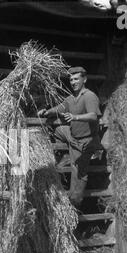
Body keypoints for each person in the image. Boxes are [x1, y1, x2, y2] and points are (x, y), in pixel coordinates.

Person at [37, 66, 102, 209]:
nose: (73, 82)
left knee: (79, 174)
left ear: (84, 79)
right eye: (71, 79)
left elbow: (94, 115)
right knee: (59, 129)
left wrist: (75, 117)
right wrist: (47, 112)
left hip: (85, 141)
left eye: (76, 79)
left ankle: (75, 204)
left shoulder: (89, 96)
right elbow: (60, 108)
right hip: (73, 135)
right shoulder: (71, 98)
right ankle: (66, 155)